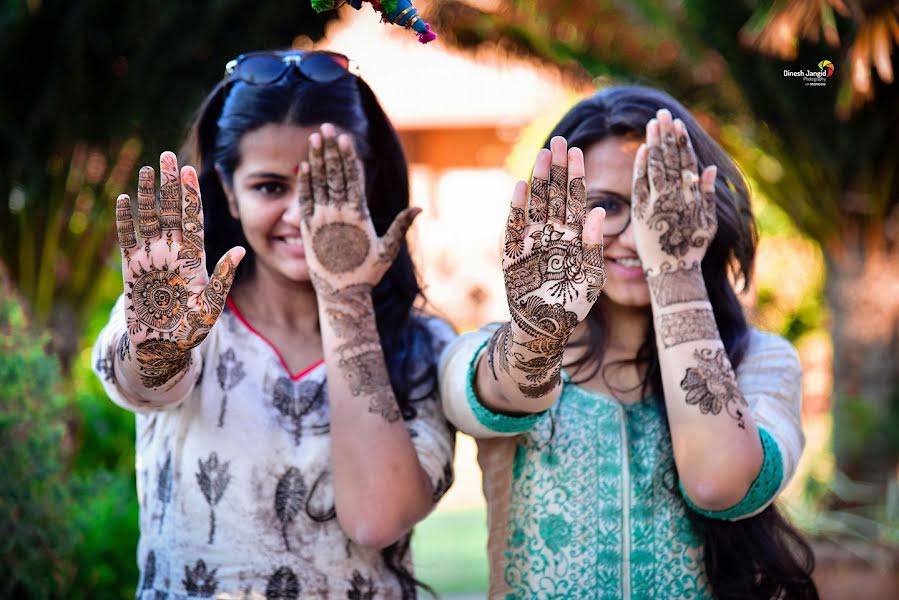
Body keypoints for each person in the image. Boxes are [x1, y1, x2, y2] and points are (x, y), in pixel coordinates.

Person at [92, 50, 456, 599]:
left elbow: (376, 519)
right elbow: (146, 382)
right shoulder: (183, 316)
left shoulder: (422, 347)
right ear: (228, 190)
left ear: (370, 185)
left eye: (328, 187)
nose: (299, 215)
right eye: (269, 187)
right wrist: (160, 343)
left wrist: (346, 301)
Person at [440, 86, 817, 599]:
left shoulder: (762, 363)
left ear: (704, 211)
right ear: (561, 214)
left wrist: (676, 274)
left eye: (659, 204)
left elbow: (717, 484)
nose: (640, 235)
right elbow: (509, 388)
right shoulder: (499, 354)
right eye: (606, 206)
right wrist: (542, 329)